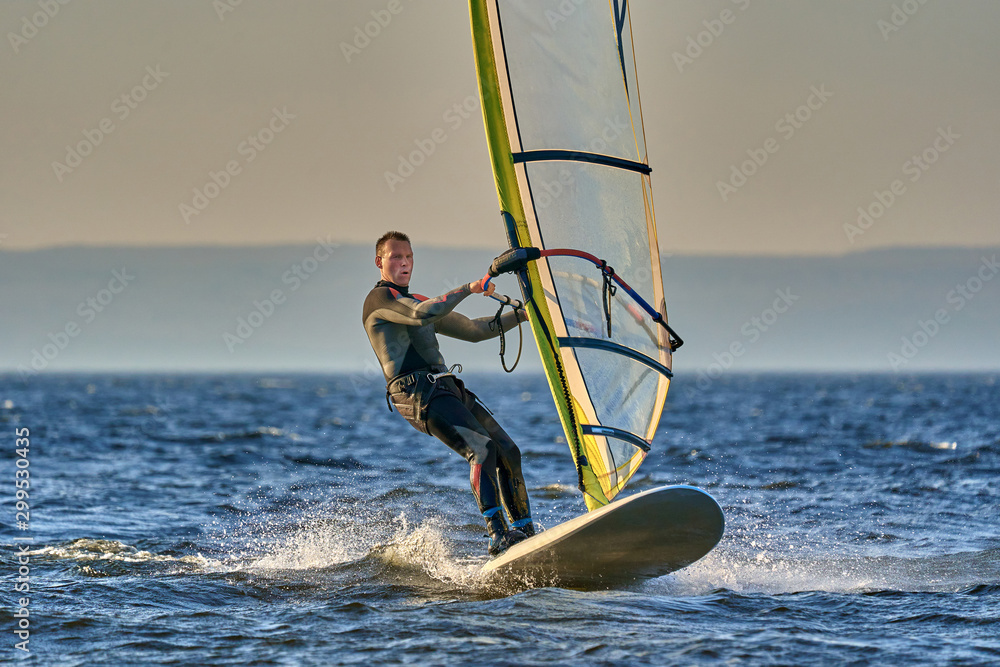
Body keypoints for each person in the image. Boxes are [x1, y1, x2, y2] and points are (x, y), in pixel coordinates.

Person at [362, 231, 536, 557]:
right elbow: (421, 314)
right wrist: (468, 288)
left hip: (446, 387)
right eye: (396, 257)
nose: (404, 263)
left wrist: (525, 315)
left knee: (508, 451)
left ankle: (526, 532)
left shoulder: (419, 301)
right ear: (379, 262)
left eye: (409, 257)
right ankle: (497, 535)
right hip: (416, 394)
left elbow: (474, 330)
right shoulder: (380, 302)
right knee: (481, 450)